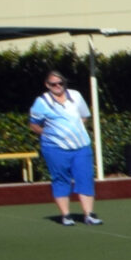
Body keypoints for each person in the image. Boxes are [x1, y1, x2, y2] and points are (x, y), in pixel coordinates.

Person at [32, 69, 98, 224]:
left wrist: (74, 130)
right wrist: (48, 134)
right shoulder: (41, 102)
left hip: (81, 146)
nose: (57, 86)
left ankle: (89, 214)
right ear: (47, 85)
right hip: (54, 148)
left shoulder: (75, 96)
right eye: (53, 84)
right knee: (61, 179)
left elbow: (84, 116)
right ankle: (66, 215)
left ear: (64, 83)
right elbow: (34, 125)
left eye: (60, 83)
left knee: (85, 177)